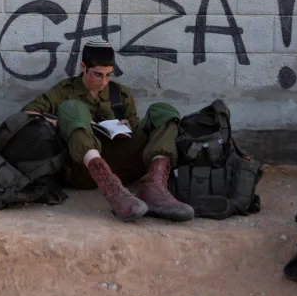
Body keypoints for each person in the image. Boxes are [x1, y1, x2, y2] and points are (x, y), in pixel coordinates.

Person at [22, 40, 193, 222]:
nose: (103, 81)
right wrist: (64, 121)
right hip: (83, 171)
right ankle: (112, 189)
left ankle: (155, 188)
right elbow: (27, 113)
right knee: (73, 108)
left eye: (108, 75)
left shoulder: (120, 94)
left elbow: (136, 130)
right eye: (97, 75)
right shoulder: (64, 91)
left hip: (123, 164)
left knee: (163, 110)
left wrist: (128, 125)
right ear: (83, 67)